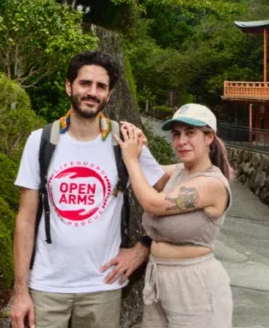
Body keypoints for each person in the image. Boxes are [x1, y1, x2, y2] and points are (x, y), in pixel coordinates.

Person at [11, 51, 165, 328]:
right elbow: (25, 218)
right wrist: (20, 292)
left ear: (109, 94)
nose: (92, 92)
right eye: (85, 83)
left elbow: (166, 197)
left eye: (101, 86)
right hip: (46, 285)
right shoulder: (41, 141)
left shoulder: (125, 141)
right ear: (69, 86)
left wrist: (143, 247)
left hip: (103, 285)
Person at [115, 103, 234, 328]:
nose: (181, 141)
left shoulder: (212, 183)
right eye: (176, 134)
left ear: (209, 137)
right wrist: (139, 145)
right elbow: (153, 177)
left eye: (191, 133)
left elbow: (153, 203)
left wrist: (131, 158)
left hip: (194, 284)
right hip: (159, 277)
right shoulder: (179, 171)